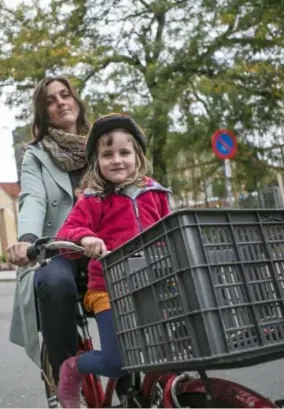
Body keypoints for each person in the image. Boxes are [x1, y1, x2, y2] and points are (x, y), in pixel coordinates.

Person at [54, 112, 171, 408]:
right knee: (116, 362)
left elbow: (170, 229)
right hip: (107, 288)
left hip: (152, 283)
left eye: (124, 152)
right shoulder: (94, 198)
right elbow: (67, 231)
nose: (117, 160)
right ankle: (74, 367)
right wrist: (84, 238)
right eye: (108, 154)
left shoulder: (154, 192)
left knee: (170, 354)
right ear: (97, 161)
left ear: (138, 157)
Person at [7, 76, 90, 385]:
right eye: (51, 101)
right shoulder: (36, 156)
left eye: (65, 95)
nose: (60, 103)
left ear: (77, 102)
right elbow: (33, 199)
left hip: (104, 244)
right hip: (60, 247)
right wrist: (28, 240)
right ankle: (66, 376)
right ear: (44, 114)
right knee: (53, 282)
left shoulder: (103, 145)